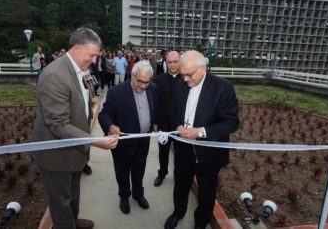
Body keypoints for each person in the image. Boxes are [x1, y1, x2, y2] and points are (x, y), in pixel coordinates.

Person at [31, 27, 119, 229]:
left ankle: (73, 221)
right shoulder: (55, 75)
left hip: (75, 148)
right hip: (56, 153)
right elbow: (59, 124)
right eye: (93, 55)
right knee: (60, 201)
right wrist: (96, 141)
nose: (95, 61)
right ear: (77, 48)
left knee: (73, 193)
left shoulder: (83, 70)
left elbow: (87, 97)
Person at [164, 50, 239, 229]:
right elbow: (172, 111)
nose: (185, 79)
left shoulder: (223, 87)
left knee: (206, 192)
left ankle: (201, 223)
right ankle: (178, 212)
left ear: (203, 68)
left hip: (209, 154)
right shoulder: (180, 84)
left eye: (189, 75)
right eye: (183, 75)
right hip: (183, 150)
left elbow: (231, 122)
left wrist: (201, 132)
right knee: (180, 185)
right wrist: (178, 127)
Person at [98, 60, 158, 214]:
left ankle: (138, 195)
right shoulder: (117, 92)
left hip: (143, 141)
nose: (144, 86)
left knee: (139, 171)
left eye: (147, 82)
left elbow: (154, 110)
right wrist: (111, 126)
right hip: (123, 145)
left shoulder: (153, 89)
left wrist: (155, 123)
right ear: (132, 76)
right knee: (122, 174)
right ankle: (124, 197)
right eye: (140, 82)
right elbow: (104, 114)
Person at [152, 51, 181, 187]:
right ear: (165, 62)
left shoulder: (187, 79)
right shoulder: (158, 80)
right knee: (163, 150)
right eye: (169, 62)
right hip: (163, 123)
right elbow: (155, 103)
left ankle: (178, 175)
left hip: (181, 125)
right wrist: (155, 122)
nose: (172, 65)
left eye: (175, 61)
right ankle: (162, 173)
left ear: (180, 61)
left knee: (180, 152)